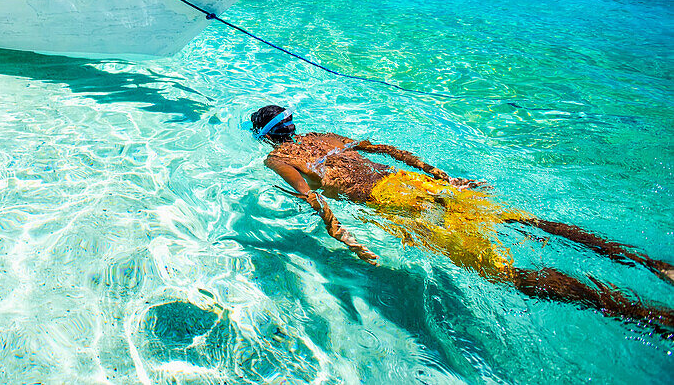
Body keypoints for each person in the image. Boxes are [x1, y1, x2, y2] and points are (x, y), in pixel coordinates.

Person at [252, 104, 674, 335]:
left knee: (502, 273)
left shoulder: (278, 157)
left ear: (267, 136)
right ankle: (654, 265)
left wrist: (343, 236)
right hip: (409, 181)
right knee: (528, 222)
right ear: (292, 123)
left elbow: (311, 198)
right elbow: (388, 149)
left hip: (395, 203)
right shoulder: (324, 137)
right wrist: (442, 176)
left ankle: (634, 312)